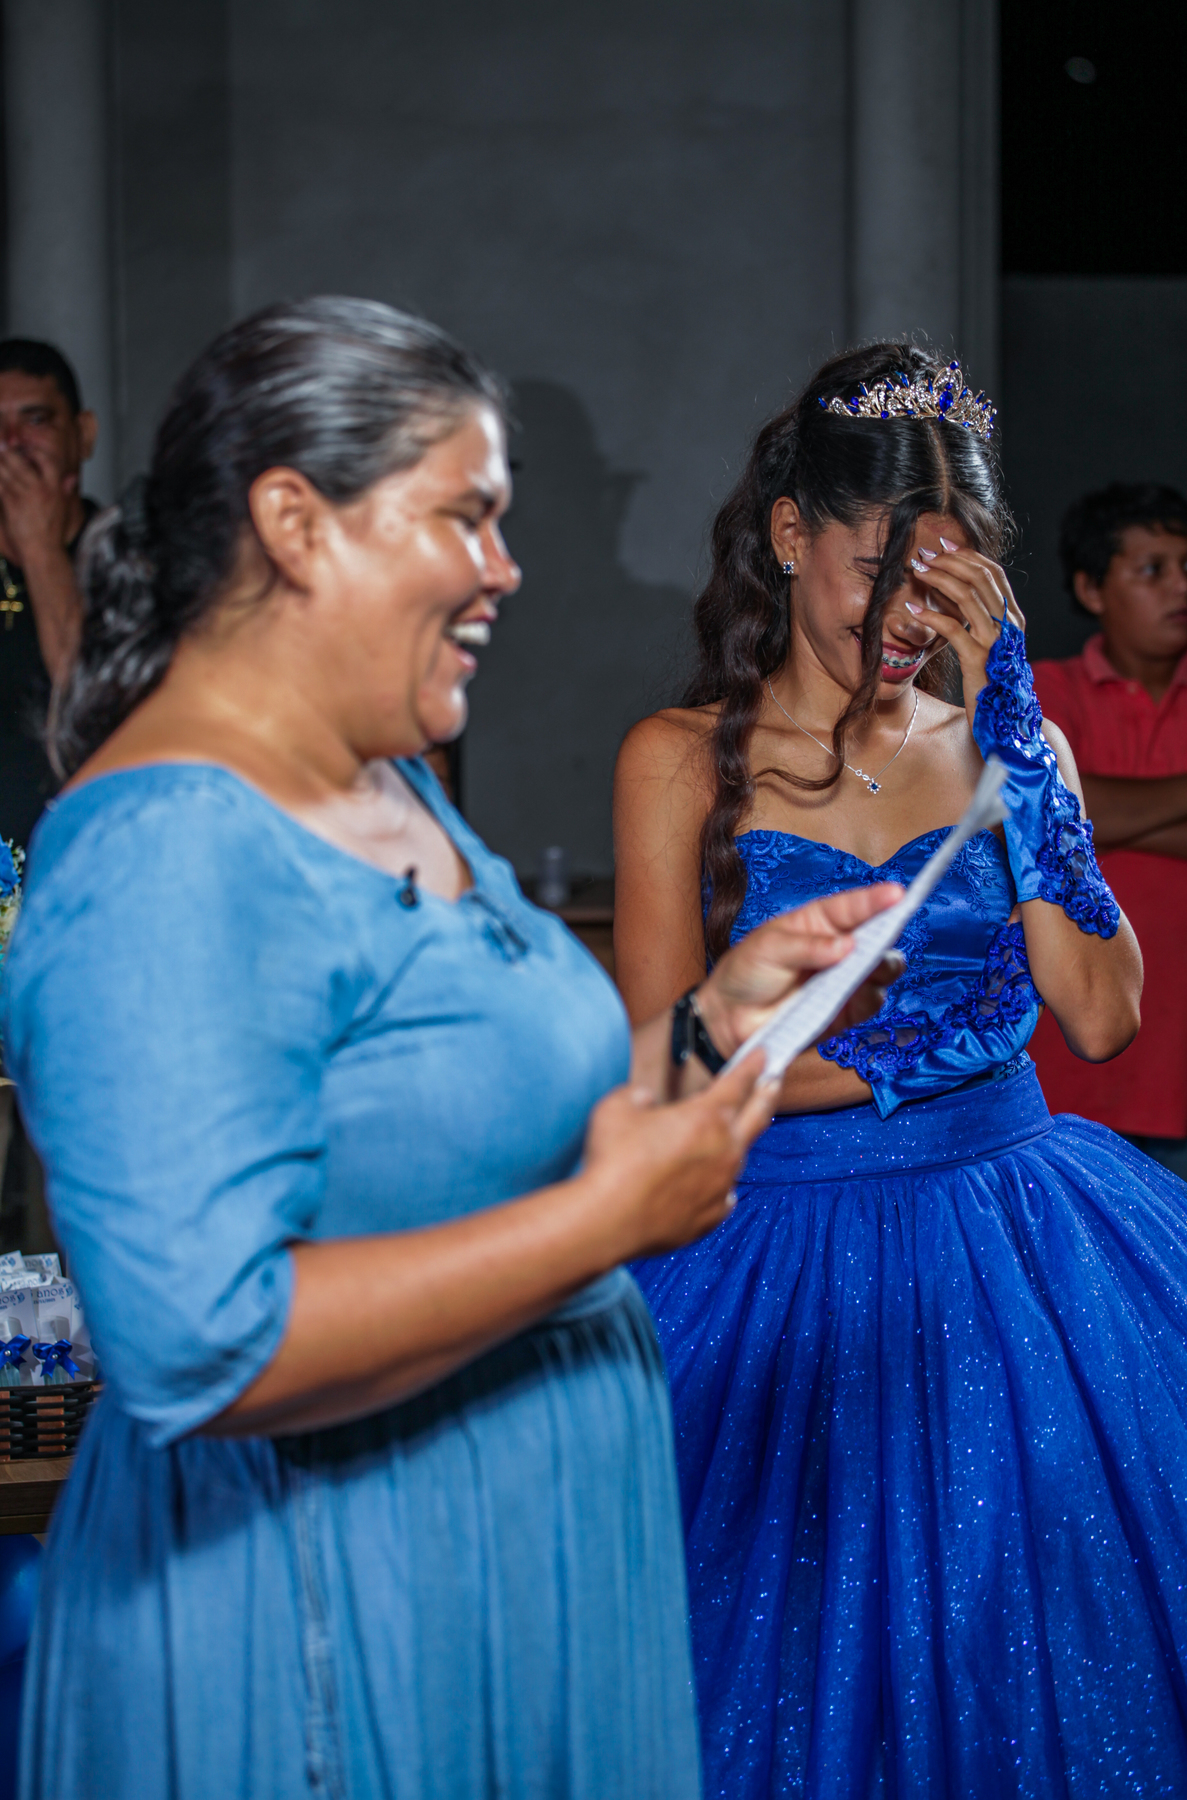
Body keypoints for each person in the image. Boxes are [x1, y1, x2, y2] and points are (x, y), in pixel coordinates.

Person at [0, 298, 902, 1800]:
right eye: (465, 517)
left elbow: (475, 1114)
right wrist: (603, 1227)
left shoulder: (393, 782)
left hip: (503, 1571)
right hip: (321, 1615)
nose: (505, 567)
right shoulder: (160, 848)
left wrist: (720, 1023)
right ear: (294, 524)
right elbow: (198, 1343)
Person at [614, 343, 1187, 1796]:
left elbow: (1099, 1015)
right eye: (876, 567)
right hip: (776, 1249)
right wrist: (912, 1055)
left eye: (943, 579)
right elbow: (663, 1072)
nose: (903, 618)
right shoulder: (681, 759)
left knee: (1033, 1655)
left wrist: (1021, 744)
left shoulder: (1013, 746)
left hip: (1020, 1248)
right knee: (779, 1654)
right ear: (789, 533)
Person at [1030, 483, 1187, 1184]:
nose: (1182, 586)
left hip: (1186, 1064)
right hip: (1068, 1062)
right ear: (1091, 589)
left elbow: (1067, 817)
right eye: (1152, 569)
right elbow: (1037, 813)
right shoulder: (1044, 691)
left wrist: (1089, 820)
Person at [0, 339, 98, 849]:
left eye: (35, 421)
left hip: (84, 858)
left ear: (83, 436)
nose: (11, 444)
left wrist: (38, 546)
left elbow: (93, 707)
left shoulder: (133, 554)